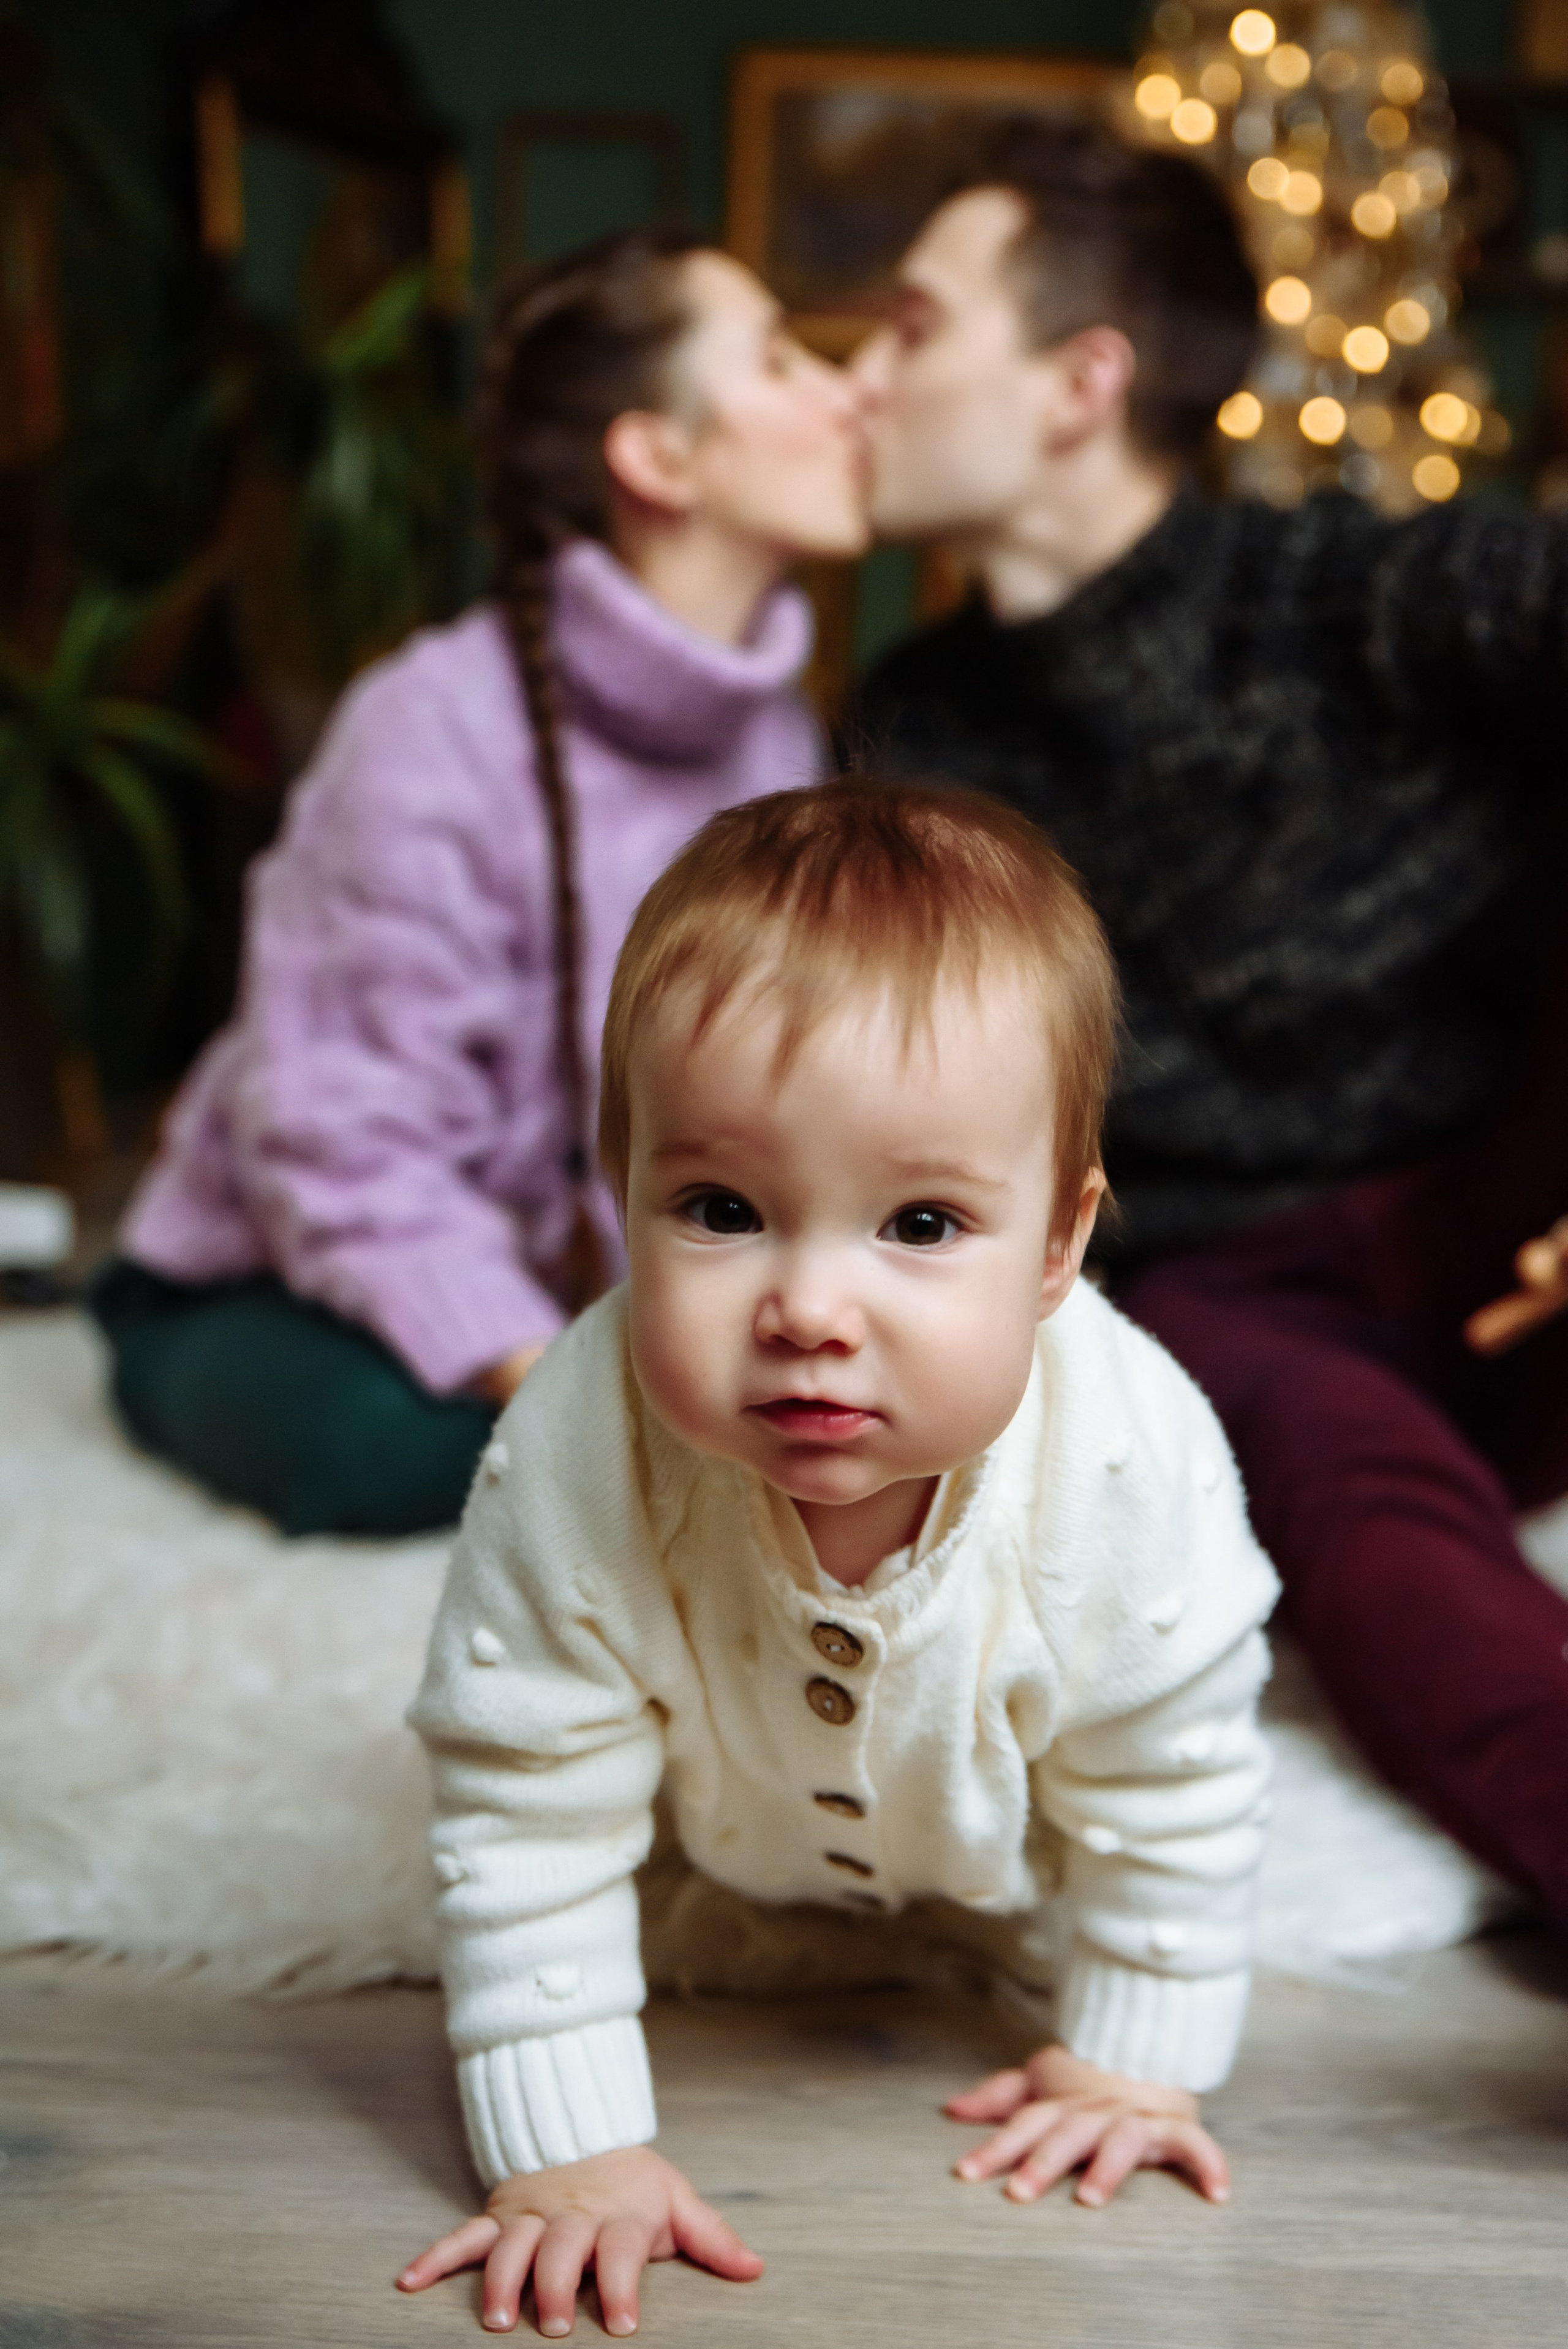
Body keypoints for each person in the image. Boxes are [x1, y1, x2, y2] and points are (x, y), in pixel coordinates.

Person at [398, 779, 1278, 2337]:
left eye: (922, 1224)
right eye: (722, 1208)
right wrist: (568, 2150)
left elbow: (1176, 1774)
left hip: (1002, 1869)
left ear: (1059, 1246)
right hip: (710, 1852)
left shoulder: (1130, 1468)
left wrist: (1135, 2056)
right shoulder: (577, 1453)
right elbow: (522, 1802)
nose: (811, 1306)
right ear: (623, 1197)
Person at [846, 112, 1568, 1935]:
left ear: (1083, 379)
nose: (860, 373)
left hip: (1518, 1195)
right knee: (1337, 1486)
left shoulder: (1358, 590)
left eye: (915, 325)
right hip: (1244, 1284)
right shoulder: (916, 725)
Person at [91, 224, 866, 1538]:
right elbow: (335, 1139)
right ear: (657, 456)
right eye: (782, 359)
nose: (847, 391)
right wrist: (549, 1379)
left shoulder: (780, 738)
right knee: (410, 1452)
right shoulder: (428, 727)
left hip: (576, 1289)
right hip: (278, 1273)